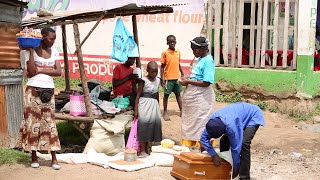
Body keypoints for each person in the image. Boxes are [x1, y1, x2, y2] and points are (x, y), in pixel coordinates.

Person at [17, 27, 62, 170]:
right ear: (42, 37)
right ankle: (34, 156)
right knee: (32, 124)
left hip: (48, 91)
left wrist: (41, 70)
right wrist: (31, 51)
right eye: (51, 38)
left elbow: (59, 72)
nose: (53, 41)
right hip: (33, 91)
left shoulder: (54, 52)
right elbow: (30, 72)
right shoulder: (28, 52)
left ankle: (54, 158)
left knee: (50, 124)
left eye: (54, 38)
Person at [200, 102, 265, 180]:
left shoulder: (232, 128)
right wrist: (214, 155)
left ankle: (244, 177)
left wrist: (235, 169)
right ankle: (225, 166)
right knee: (224, 140)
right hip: (236, 115)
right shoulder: (212, 122)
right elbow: (203, 139)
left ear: (224, 130)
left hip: (252, 115)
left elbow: (236, 150)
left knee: (244, 143)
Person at [179, 36, 215, 149]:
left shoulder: (208, 61)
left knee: (202, 124)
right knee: (192, 125)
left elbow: (206, 82)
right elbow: (197, 77)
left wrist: (188, 81)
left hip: (202, 98)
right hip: (194, 97)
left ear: (203, 49)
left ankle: (204, 152)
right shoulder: (200, 59)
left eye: (195, 50)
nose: (193, 52)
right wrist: (187, 79)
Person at [134, 61, 162, 157]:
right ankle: (142, 150)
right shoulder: (143, 81)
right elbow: (138, 95)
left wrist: (158, 106)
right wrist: (136, 109)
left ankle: (148, 149)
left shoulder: (158, 80)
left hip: (154, 105)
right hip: (144, 104)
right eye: (152, 72)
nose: (154, 74)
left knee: (152, 126)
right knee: (144, 126)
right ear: (147, 71)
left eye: (156, 72)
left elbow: (157, 94)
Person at [160, 35, 184, 120]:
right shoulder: (165, 53)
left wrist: (182, 72)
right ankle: (165, 112)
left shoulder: (178, 52)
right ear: (167, 43)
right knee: (166, 95)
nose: (172, 43)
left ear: (176, 41)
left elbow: (178, 63)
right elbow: (162, 67)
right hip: (168, 78)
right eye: (170, 42)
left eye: (173, 41)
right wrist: (162, 79)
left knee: (178, 94)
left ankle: (182, 110)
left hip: (176, 78)